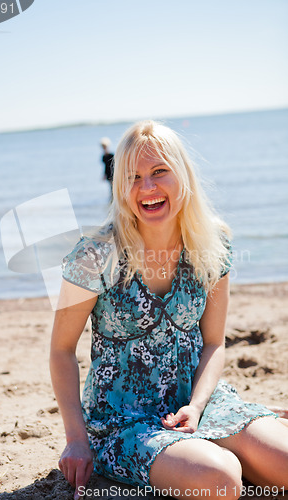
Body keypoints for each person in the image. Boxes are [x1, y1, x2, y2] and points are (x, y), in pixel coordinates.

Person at [50, 120, 288, 500]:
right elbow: (61, 350)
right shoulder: (94, 255)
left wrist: (196, 406)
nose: (147, 188)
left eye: (159, 172)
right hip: (123, 422)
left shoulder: (213, 244)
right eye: (133, 176)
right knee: (221, 481)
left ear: (183, 174)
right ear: (119, 186)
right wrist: (76, 440)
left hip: (197, 404)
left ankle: (228, 441)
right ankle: (213, 456)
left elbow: (214, 343)